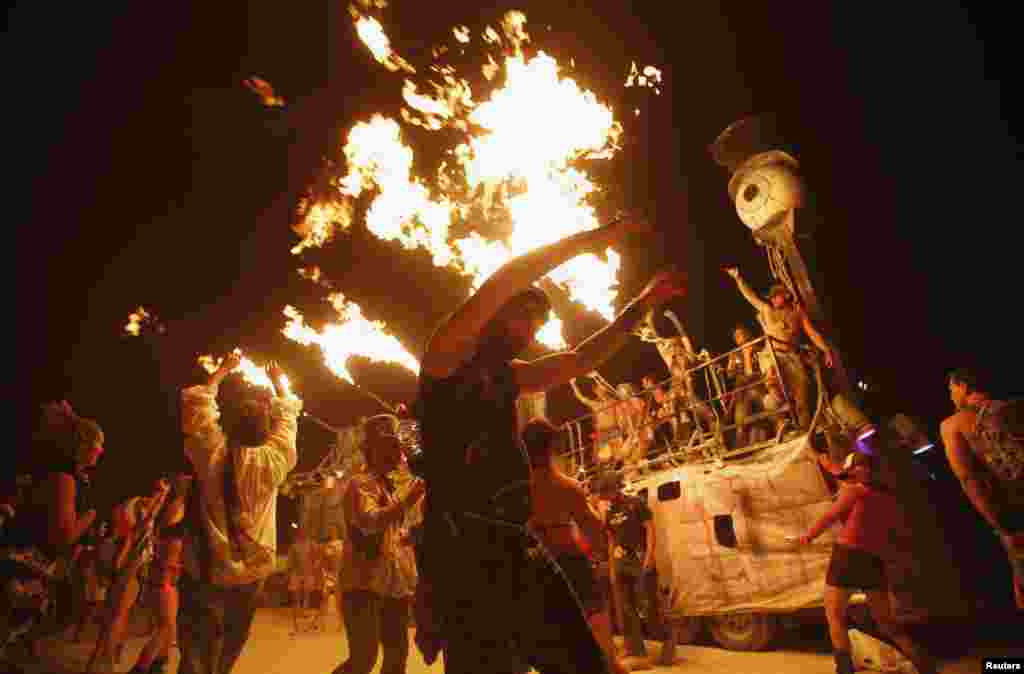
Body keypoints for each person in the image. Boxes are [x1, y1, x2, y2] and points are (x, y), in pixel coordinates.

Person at [415, 212, 685, 674]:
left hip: (517, 541)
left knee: (585, 662)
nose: (533, 333)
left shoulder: (509, 374)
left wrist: (640, 306)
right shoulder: (445, 357)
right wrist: (594, 239)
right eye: (529, 318)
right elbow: (508, 277)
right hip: (463, 551)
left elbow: (580, 360)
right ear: (498, 310)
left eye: (540, 323)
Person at [178, 354, 302, 674]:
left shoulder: (212, 454)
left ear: (229, 426)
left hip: (208, 568)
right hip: (251, 571)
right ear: (265, 430)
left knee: (197, 647)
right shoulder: (275, 460)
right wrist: (278, 383)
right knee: (231, 642)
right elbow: (288, 419)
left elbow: (197, 407)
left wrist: (221, 372)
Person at [798, 451, 937, 674]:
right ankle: (926, 666)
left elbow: (830, 516)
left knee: (834, 616)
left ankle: (844, 669)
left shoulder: (854, 490)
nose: (851, 472)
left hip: (847, 557)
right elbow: (843, 475)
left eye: (854, 468)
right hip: (872, 560)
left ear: (859, 470)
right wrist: (826, 463)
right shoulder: (887, 496)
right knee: (888, 624)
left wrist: (808, 536)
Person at [521, 418, 631, 674]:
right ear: (551, 448)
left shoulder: (516, 490)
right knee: (603, 646)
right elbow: (594, 530)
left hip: (533, 568)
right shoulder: (567, 486)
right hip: (570, 564)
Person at [0, 402, 102, 668]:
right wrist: (89, 517)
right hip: (25, 568)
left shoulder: (64, 475)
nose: (101, 450)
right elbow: (63, 535)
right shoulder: (63, 479)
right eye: (98, 444)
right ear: (82, 446)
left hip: (31, 567)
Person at [329, 414, 425, 674]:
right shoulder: (360, 484)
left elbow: (393, 537)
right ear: (372, 451)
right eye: (391, 446)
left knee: (397, 658)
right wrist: (408, 500)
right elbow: (370, 522)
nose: (399, 452)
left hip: (394, 587)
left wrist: (411, 536)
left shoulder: (390, 487)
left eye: (398, 446)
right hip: (363, 587)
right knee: (363, 659)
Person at [940, 368, 1024, 608]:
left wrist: (997, 524)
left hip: (1014, 512)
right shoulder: (1014, 408)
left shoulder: (953, 425)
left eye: (951, 389)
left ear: (964, 386)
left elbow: (968, 478)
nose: (950, 396)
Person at [724, 268, 833, 429]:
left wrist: (826, 350)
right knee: (772, 375)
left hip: (791, 356)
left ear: (786, 295)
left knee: (801, 393)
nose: (773, 300)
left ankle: (804, 430)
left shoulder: (797, 313)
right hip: (772, 355)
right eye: (772, 298)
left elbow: (812, 333)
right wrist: (739, 279)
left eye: (776, 296)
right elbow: (751, 298)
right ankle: (778, 410)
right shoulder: (768, 311)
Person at [88, 481, 171, 674]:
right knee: (116, 615)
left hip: (128, 566)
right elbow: (133, 535)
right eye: (161, 487)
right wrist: (155, 508)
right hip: (129, 567)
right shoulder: (138, 506)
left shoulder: (129, 506)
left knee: (118, 614)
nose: (163, 492)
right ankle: (100, 663)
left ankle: (106, 658)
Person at [594, 472, 670, 664]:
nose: (604, 497)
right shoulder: (610, 512)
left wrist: (649, 556)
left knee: (648, 605)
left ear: (616, 488)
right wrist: (612, 568)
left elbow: (651, 530)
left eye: (607, 492)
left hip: (640, 558)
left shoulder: (636, 504)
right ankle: (636, 651)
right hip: (621, 562)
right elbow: (611, 540)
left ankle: (668, 642)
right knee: (626, 608)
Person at [129, 473, 193, 674]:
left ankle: (158, 665)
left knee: (169, 627)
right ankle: (140, 669)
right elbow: (171, 531)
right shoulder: (175, 508)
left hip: (167, 576)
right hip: (163, 577)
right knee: (165, 626)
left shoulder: (175, 508)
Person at [570, 375, 620, 464]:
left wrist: (599, 378)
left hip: (613, 430)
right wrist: (573, 384)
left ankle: (617, 467)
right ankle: (604, 470)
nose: (598, 391)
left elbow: (616, 394)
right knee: (597, 456)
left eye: (599, 388)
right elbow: (580, 398)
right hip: (602, 432)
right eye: (596, 389)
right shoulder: (595, 404)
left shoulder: (612, 400)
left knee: (616, 454)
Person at [289, 525, 318, 629]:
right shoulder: (295, 545)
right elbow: (291, 559)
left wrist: (315, 566)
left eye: (304, 531)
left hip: (308, 572)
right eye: (301, 531)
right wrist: (289, 570)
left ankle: (304, 610)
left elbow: (317, 557)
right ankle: (298, 609)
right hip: (296, 572)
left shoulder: (311, 544)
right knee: (295, 592)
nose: (303, 533)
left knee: (307, 592)